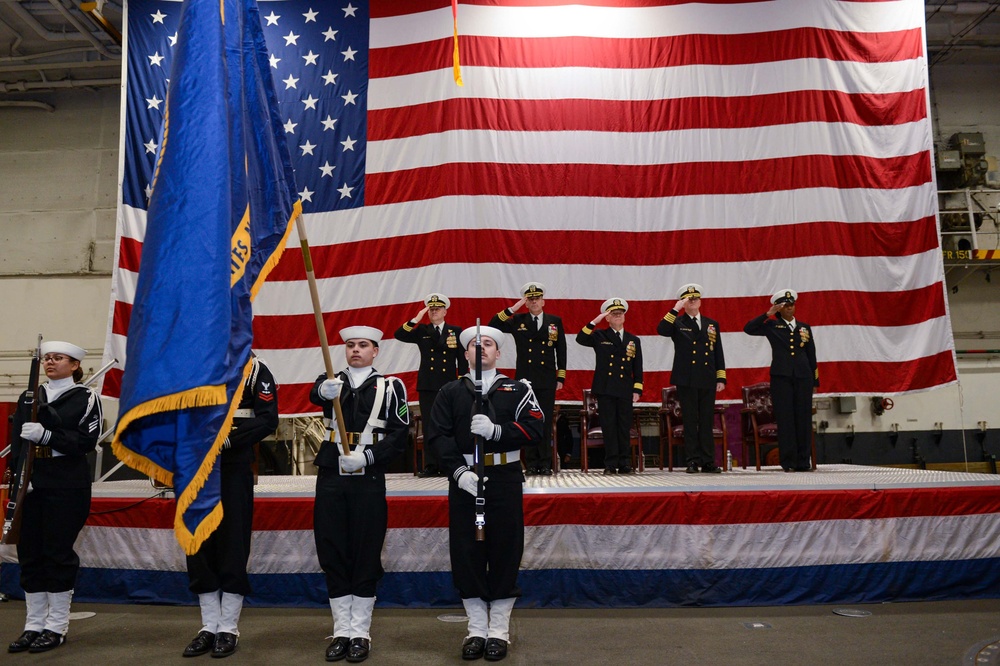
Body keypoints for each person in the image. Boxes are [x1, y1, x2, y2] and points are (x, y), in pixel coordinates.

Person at [426, 326, 544, 662]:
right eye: (474, 344)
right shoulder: (450, 391)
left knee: (505, 547)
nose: (481, 348)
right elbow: (438, 436)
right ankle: (476, 628)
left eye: (488, 344)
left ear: (498, 352)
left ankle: (499, 631)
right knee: (467, 551)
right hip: (465, 479)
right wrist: (459, 472)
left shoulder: (516, 388)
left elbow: (536, 427)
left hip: (504, 477)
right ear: (465, 354)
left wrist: (498, 431)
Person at [309, 327, 409, 663]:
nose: (355, 350)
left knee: (366, 549)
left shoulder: (390, 386)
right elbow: (313, 395)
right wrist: (323, 390)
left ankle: (360, 632)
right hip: (332, 474)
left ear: (375, 351)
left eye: (362, 345)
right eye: (350, 345)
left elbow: (399, 434)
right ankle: (341, 630)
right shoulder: (330, 381)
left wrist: (369, 456)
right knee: (333, 547)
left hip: (368, 474)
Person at [7, 341, 102, 654]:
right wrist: (19, 481)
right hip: (31, 483)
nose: (50, 362)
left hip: (66, 483)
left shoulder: (85, 398)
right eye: (47, 358)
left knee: (57, 553)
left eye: (58, 358)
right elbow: (18, 444)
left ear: (74, 365)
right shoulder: (29, 397)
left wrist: (48, 437)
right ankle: (33, 624)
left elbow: (86, 440)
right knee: (30, 553)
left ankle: (56, 626)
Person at [182, 354, 278, 658]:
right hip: (195, 468)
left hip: (232, 466)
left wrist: (227, 440)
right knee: (198, 545)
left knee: (232, 544)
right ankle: (208, 626)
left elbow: (267, 418)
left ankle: (228, 627)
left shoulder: (253, 369)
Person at [489, 282, 566, 475]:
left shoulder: (554, 321)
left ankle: (545, 462)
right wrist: (513, 308)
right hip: (526, 380)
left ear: (543, 301)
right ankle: (531, 463)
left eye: (536, 298)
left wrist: (561, 376)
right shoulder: (518, 320)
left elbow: (561, 350)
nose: (534, 302)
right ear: (526, 302)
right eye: (530, 299)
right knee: (528, 420)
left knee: (545, 421)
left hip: (547, 378)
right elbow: (493, 324)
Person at [744, 289, 819, 472]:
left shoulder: (804, 327)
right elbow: (749, 328)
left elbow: (811, 354)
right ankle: (788, 461)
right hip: (781, 377)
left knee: (803, 419)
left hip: (803, 377)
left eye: (791, 304)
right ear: (779, 309)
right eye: (785, 305)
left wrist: (815, 381)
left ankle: (803, 461)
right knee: (785, 420)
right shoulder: (772, 326)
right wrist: (767, 314)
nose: (789, 308)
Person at [394, 293, 468, 477]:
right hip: (428, 385)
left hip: (450, 384)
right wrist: (416, 319)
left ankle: (450, 463)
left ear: (445, 311)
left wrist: (464, 380)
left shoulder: (455, 331)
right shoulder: (421, 331)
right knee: (429, 426)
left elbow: (462, 359)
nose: (434, 312)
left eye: (437, 309)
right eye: (431, 309)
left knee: (450, 424)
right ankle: (431, 465)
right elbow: (400, 334)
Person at [657, 284, 726, 474]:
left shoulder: (712, 324)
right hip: (686, 378)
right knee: (690, 420)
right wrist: (675, 308)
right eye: (689, 299)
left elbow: (717, 351)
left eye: (696, 298)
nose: (693, 301)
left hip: (707, 378)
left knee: (706, 421)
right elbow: (661, 329)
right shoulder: (677, 323)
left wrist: (721, 377)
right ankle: (692, 461)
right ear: (684, 302)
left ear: (701, 301)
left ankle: (708, 460)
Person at [575, 299, 643, 475]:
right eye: (613, 313)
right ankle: (611, 463)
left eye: (620, 312)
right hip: (605, 388)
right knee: (609, 426)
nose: (618, 315)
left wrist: (637, 389)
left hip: (625, 389)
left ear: (625, 316)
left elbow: (638, 367)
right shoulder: (599, 336)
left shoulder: (633, 340)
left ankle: (625, 462)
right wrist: (594, 321)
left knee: (623, 426)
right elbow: (580, 338)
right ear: (607, 317)